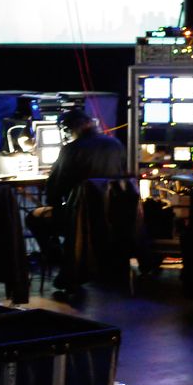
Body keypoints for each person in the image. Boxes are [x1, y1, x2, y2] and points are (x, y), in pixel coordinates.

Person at [25, 107, 127, 280]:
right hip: (112, 214)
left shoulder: (71, 150)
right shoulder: (115, 145)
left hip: (77, 216)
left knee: (33, 218)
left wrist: (55, 202)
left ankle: (57, 257)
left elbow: (54, 190)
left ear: (69, 130)